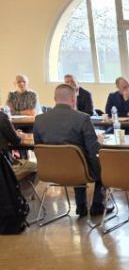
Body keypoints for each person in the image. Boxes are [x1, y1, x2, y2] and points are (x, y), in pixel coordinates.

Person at [33, 84, 113, 217]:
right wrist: (99, 141)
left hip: (50, 171)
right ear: (73, 99)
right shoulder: (82, 118)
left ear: (54, 99)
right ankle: (97, 205)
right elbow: (93, 150)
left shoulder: (39, 119)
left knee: (75, 159)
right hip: (78, 170)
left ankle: (81, 207)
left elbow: (38, 148)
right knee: (102, 164)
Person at [0, 109, 37, 181]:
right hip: (5, 167)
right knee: (36, 167)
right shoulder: (2, 117)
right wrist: (17, 134)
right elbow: (16, 141)